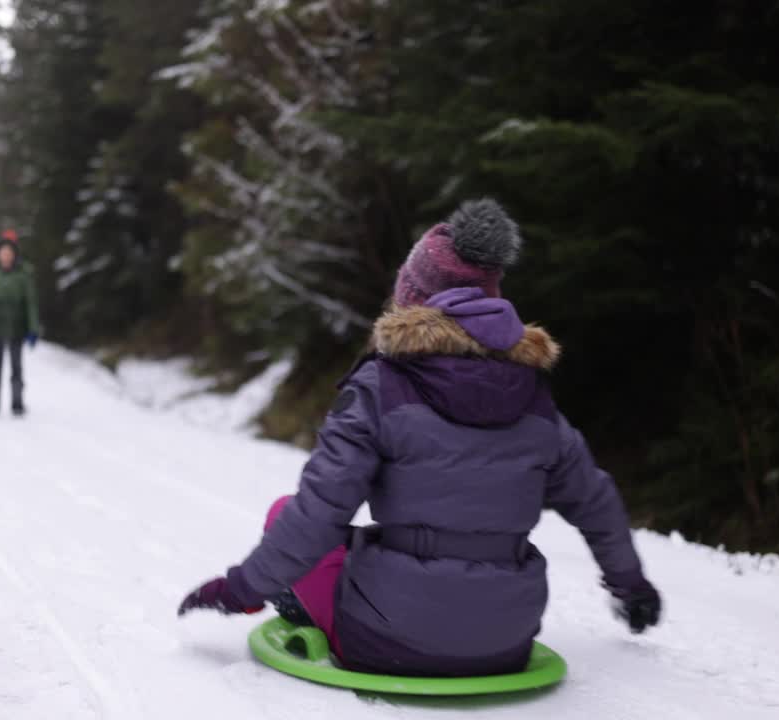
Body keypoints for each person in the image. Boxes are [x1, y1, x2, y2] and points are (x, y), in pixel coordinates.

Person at [178, 199, 661, 677]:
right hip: (506, 640)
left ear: (411, 297)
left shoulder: (380, 387)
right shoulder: (533, 396)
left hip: (386, 640)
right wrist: (631, 586)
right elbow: (594, 499)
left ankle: (319, 617)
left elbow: (319, 512)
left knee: (285, 513)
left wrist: (240, 590)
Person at [0, 230, 40, 416]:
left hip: (17, 329)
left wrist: (33, 328)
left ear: (14, 255)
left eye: (9, 253)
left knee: (17, 368)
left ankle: (17, 404)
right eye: (3, 252)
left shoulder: (23, 276)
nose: (6, 256)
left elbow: (31, 304)